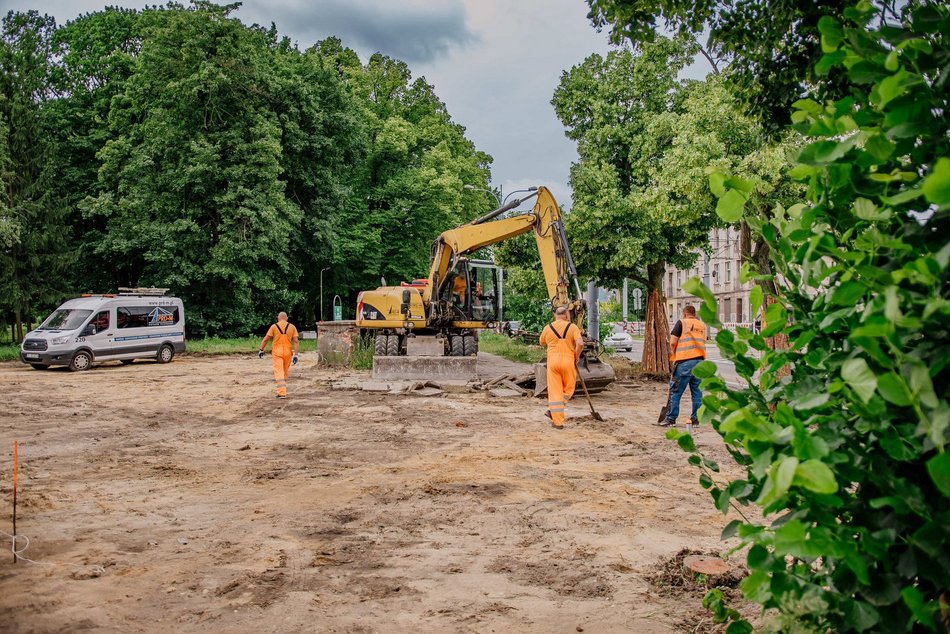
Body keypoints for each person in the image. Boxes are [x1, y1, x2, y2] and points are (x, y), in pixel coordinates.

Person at [657, 304, 707, 432]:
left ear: (685, 314)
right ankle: (696, 419)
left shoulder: (681, 323)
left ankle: (671, 419)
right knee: (697, 393)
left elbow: (673, 341)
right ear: (694, 314)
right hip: (700, 362)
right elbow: (703, 340)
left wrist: (674, 353)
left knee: (676, 391)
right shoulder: (702, 326)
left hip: (684, 362)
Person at [538, 306, 584, 430]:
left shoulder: (548, 328)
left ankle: (557, 421)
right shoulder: (573, 327)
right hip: (568, 361)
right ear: (567, 315)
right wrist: (576, 355)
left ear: (555, 315)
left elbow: (541, 342)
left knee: (555, 392)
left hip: (552, 362)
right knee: (569, 389)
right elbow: (580, 343)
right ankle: (554, 410)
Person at [258, 312, 300, 398]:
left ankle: (281, 393)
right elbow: (296, 341)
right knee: (284, 372)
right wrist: (296, 355)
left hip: (277, 352)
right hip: (288, 352)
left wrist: (261, 349)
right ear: (287, 318)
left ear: (278, 318)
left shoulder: (274, 327)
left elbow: (266, 339)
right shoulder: (292, 327)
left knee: (279, 372)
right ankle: (282, 390)